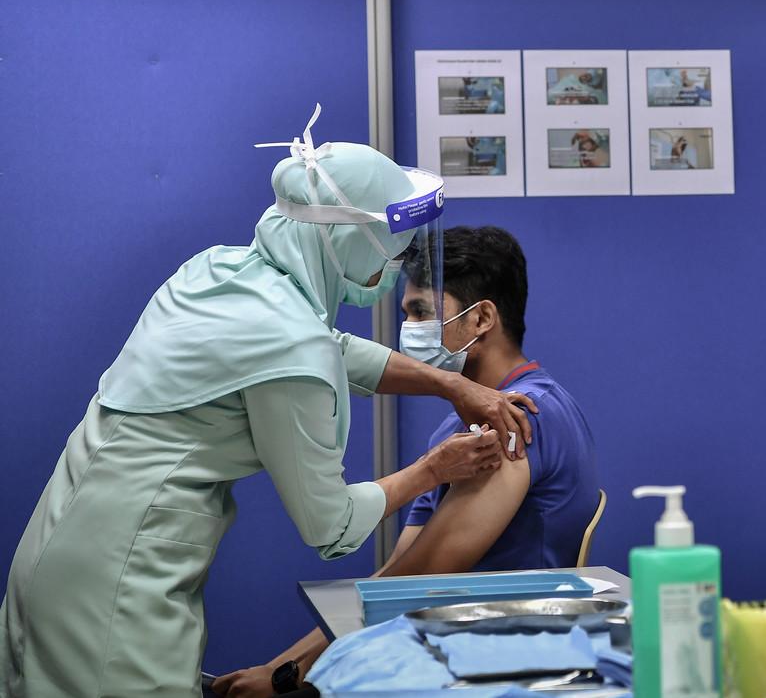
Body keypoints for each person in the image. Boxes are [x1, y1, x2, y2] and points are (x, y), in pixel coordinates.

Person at [0, 115, 537, 698]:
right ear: (350, 240)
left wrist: (448, 384)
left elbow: (323, 347)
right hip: (117, 582)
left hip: (56, 546)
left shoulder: (216, 270)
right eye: (394, 242)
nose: (399, 262)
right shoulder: (289, 342)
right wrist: (436, 469)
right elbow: (330, 524)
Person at [213, 226, 599, 697]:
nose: (410, 329)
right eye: (406, 313)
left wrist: (286, 675)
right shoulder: (455, 434)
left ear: (482, 319)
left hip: (493, 662)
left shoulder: (520, 417)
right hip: (444, 647)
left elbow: (428, 571)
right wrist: (284, 667)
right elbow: (400, 567)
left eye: (422, 312)